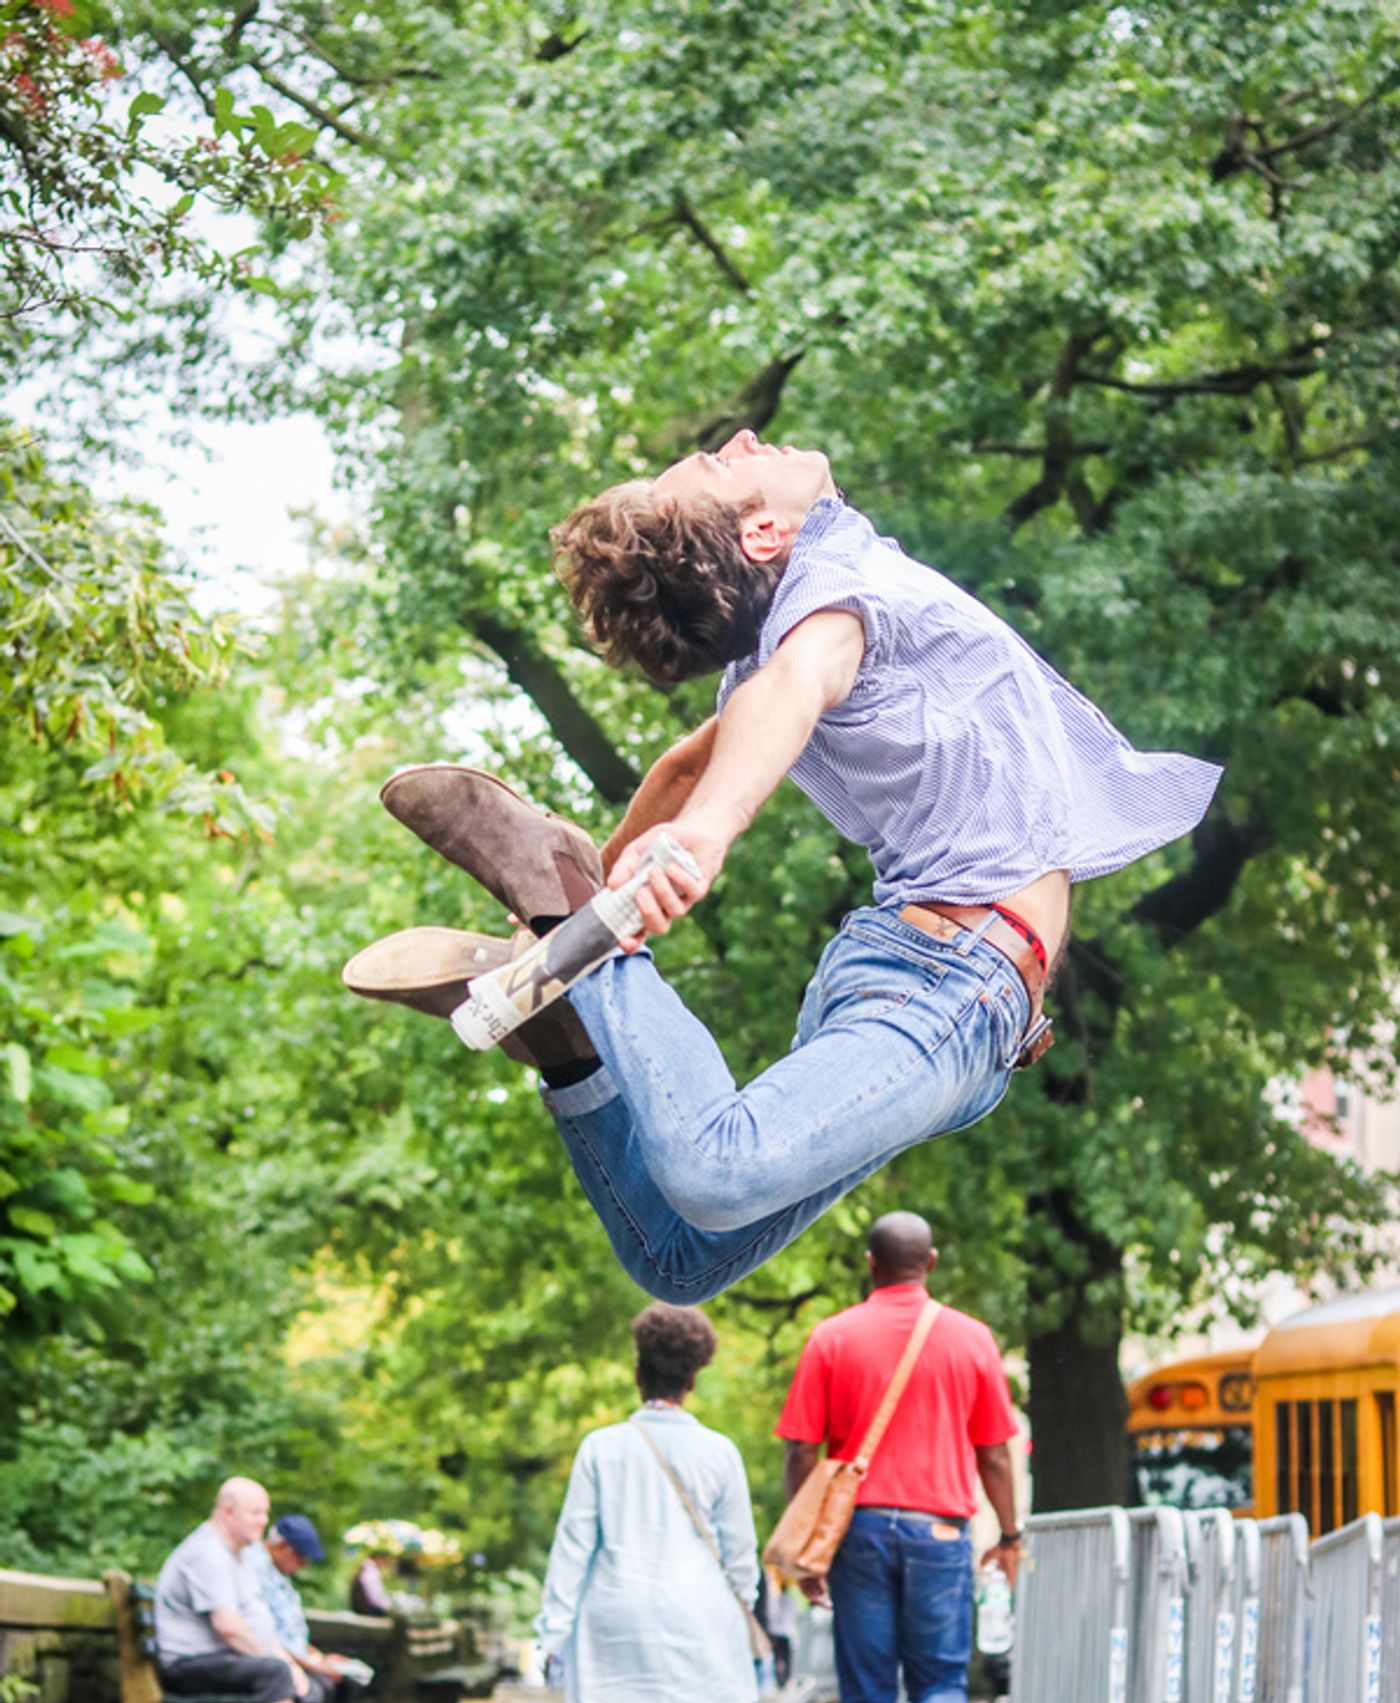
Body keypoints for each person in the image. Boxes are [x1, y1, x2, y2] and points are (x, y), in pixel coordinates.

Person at [343, 431, 1222, 1303]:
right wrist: (690, 846)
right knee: (717, 1178)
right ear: (763, 534)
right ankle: (574, 935)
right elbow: (793, 689)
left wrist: (597, 891)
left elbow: (685, 767)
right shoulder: (835, 590)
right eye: (726, 465)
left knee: (677, 1259)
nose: (743, 436)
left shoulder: (802, 617)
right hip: (952, 986)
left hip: (938, 992)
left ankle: (570, 1044)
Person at [776, 1212, 1021, 1703]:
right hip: (941, 1532)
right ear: (931, 1262)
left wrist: (809, 1536)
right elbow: (995, 1452)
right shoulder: (972, 1338)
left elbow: (800, 1449)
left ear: (869, 1263)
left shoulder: (831, 1337)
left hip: (857, 1535)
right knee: (941, 1680)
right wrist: (1008, 1531)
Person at [537, 1304, 759, 1703]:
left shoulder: (601, 1448)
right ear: (694, 1377)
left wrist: (552, 1626)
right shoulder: (719, 1452)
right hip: (693, 1612)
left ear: (640, 1372)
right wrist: (745, 1607)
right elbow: (741, 1554)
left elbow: (574, 1544)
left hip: (615, 1607)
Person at [152, 1477, 323, 1703]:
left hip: (225, 1659)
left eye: (265, 1513)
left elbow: (259, 1623)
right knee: (275, 1675)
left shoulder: (242, 1555)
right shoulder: (207, 1553)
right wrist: (276, 1665)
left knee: (308, 1686)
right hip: (189, 1663)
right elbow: (228, 1627)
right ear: (227, 1511)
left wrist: (289, 1665)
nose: (263, 1521)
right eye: (255, 1513)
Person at [247, 1514, 360, 1703]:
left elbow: (292, 1633)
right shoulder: (255, 1570)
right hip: (270, 1659)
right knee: (320, 1687)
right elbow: (268, 1635)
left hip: (293, 1658)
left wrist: (320, 1656)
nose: (303, 1565)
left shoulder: (279, 1575)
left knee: (346, 1683)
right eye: (299, 1557)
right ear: (281, 1545)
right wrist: (315, 1667)